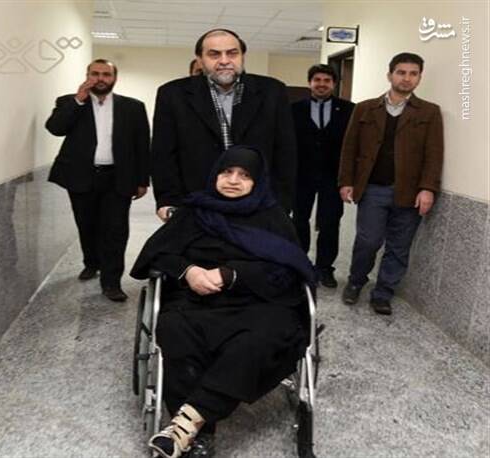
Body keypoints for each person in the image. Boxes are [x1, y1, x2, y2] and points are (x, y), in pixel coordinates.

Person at [131, 146, 315, 458]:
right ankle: (200, 430)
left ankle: (188, 424)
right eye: (226, 172)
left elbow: (290, 270)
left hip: (259, 302)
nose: (233, 180)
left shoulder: (273, 217)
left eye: (244, 175)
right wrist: (188, 271)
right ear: (215, 175)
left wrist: (232, 274)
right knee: (175, 330)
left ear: (257, 181)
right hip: (195, 299)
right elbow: (157, 254)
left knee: (262, 340)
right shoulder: (193, 212)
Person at [152, 28, 297, 221]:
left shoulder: (273, 91)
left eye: (232, 53)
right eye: (214, 54)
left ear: (242, 56)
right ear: (200, 59)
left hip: (258, 203)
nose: (224, 60)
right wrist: (167, 200)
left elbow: (285, 151)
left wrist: (282, 203)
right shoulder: (172, 94)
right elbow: (163, 153)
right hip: (195, 200)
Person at [338, 52, 444, 315]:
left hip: (409, 192)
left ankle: (383, 293)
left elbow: (434, 153)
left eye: (413, 74)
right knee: (368, 241)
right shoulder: (365, 108)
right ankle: (356, 281)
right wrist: (346, 181)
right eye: (401, 72)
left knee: (398, 247)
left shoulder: (429, 112)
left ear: (419, 78)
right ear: (390, 75)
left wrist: (428, 188)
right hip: (373, 189)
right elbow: (349, 148)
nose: (407, 78)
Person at [46, 59, 150, 302]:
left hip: (118, 178)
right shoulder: (69, 102)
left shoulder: (133, 107)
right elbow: (55, 128)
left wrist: (142, 179)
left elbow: (143, 144)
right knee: (87, 225)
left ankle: (111, 283)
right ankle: (92, 262)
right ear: (87, 75)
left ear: (115, 78)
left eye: (106, 74)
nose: (100, 78)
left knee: (116, 230)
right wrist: (78, 100)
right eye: (95, 74)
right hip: (81, 177)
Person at [291, 64, 354, 288]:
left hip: (333, 177)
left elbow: (353, 145)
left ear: (334, 84)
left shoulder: (349, 110)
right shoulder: (293, 109)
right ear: (310, 82)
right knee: (299, 221)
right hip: (301, 176)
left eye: (327, 80)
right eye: (317, 80)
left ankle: (325, 268)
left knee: (330, 223)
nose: (321, 84)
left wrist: (349, 179)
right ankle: (300, 265)